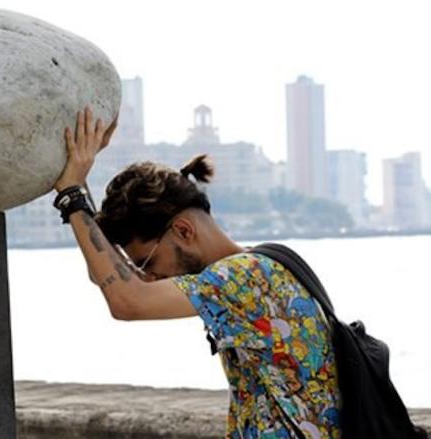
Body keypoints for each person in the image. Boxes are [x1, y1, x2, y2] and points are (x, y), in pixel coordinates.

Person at [52, 106, 342, 438]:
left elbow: (127, 300)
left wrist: (72, 194)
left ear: (184, 231)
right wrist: (80, 179)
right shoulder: (262, 267)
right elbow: (111, 280)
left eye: (147, 262)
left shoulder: (243, 278)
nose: (150, 277)